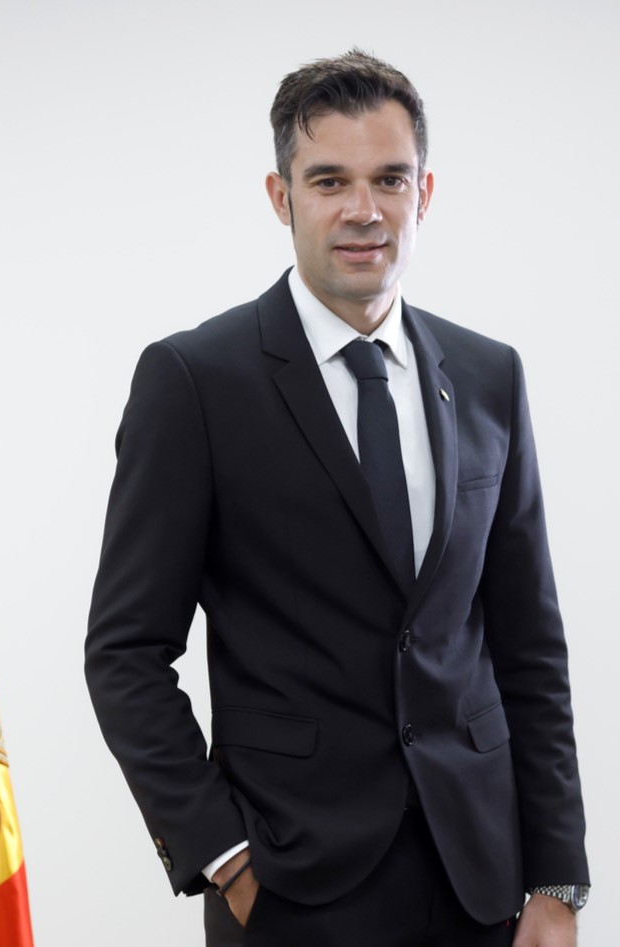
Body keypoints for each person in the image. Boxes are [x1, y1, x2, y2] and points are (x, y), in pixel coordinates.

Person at [84, 49, 589, 946]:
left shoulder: (489, 376)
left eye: (389, 178)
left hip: (481, 883)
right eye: (329, 181)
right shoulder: (195, 381)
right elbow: (125, 652)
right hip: (291, 885)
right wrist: (224, 857)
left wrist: (556, 877)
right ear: (281, 197)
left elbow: (529, 645)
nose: (364, 209)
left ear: (423, 193)